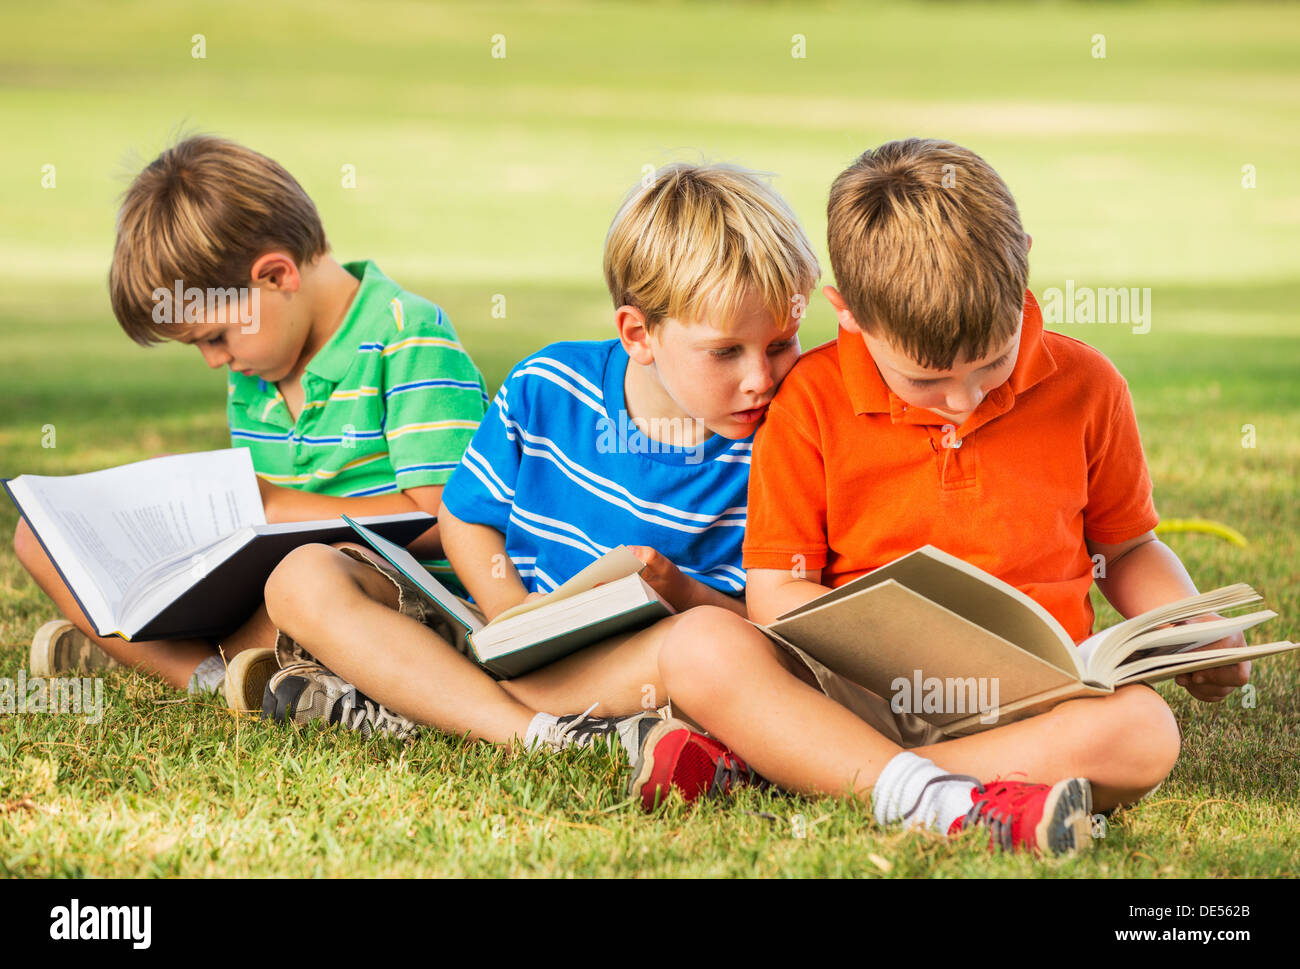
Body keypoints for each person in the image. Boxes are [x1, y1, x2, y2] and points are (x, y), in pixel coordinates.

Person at [633, 139, 1250, 856]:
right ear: (848, 312)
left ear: (1023, 257)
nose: (963, 398)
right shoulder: (810, 401)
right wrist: (896, 648)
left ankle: (814, 770)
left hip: (1032, 702)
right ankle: (940, 791)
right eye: (924, 381)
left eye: (993, 363)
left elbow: (1130, 547)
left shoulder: (1088, 386)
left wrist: (1189, 628)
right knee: (709, 650)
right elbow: (775, 590)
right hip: (859, 692)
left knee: (1146, 732)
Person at [258, 162, 820, 753]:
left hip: (638, 667)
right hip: (500, 636)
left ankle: (430, 703)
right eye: (725, 351)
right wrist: (512, 615)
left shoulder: (787, 433)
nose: (761, 377)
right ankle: (542, 733)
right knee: (303, 576)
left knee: (709, 648)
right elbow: (466, 515)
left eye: (781, 344)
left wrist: (680, 592)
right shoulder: (550, 385)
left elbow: (772, 621)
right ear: (638, 335)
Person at [14, 136, 488, 709]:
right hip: (274, 590)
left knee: (303, 584)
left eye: (216, 336)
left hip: (389, 595)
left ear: (277, 275)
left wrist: (273, 505)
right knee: (41, 538)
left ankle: (176, 661)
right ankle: (214, 670)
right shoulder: (257, 371)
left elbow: (447, 521)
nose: (216, 360)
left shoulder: (408, 337)